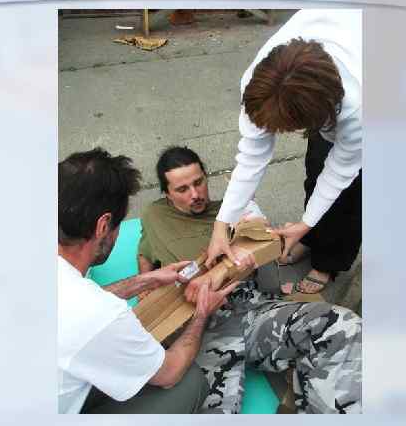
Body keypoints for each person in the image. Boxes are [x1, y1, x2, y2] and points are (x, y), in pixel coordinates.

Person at [138, 146, 362, 414]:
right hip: (198, 324)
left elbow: (267, 243)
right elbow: (145, 251)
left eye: (198, 182)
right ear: (166, 193)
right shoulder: (154, 215)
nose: (195, 194)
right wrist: (144, 283)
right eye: (182, 189)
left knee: (344, 326)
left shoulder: (232, 212)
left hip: (250, 308)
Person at [58, 147, 238, 414]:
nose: (194, 194)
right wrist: (201, 314)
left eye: (198, 182)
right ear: (103, 226)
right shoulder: (102, 316)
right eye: (119, 225)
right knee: (189, 382)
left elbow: (76, 303)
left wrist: (144, 280)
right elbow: (170, 373)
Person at [206, 9, 362, 295]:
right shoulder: (260, 81)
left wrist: (305, 223)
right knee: (316, 166)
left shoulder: (359, 107)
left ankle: (329, 261)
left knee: (350, 190)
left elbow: (341, 169)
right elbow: (252, 156)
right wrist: (222, 224)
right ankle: (312, 236)